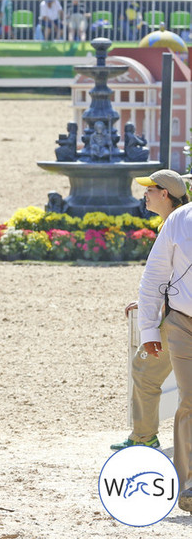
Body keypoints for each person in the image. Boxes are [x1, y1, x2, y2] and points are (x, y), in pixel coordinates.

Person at [111, 170, 189, 452]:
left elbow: (166, 275)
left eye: (150, 189)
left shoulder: (176, 223)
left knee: (144, 370)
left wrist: (151, 311)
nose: (145, 194)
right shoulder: (173, 222)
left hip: (178, 319)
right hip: (176, 313)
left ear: (165, 194)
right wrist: (147, 304)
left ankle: (144, 436)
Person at [137, 177, 192, 514]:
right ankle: (187, 484)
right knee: (189, 400)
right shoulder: (179, 219)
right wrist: (148, 329)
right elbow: (155, 274)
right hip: (182, 321)